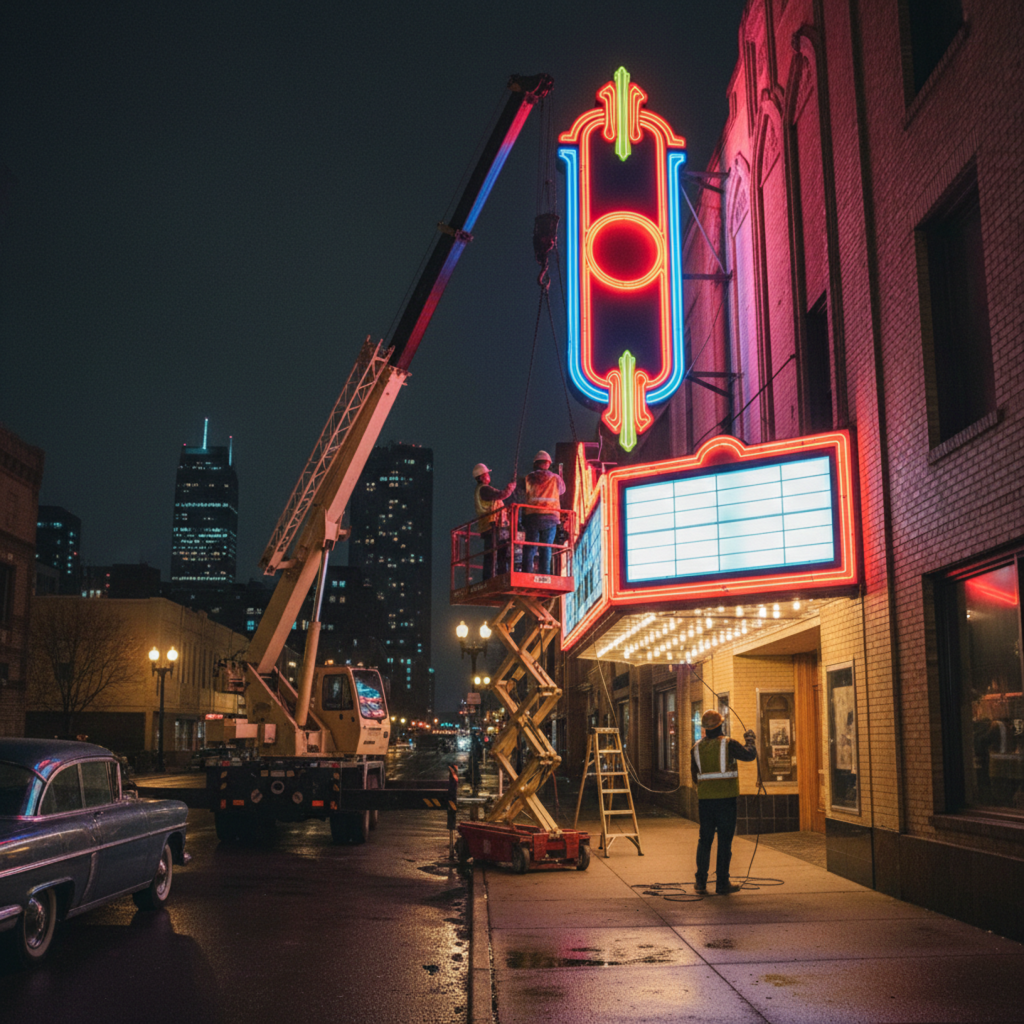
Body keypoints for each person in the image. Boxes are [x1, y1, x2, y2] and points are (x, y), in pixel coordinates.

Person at [690, 709, 758, 895]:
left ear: (704, 728)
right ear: (720, 725)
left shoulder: (695, 748)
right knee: (724, 842)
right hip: (726, 801)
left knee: (705, 840)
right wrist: (750, 739)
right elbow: (749, 755)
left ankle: (701, 883)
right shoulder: (728, 744)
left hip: (705, 802)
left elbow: (695, 776)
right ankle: (722, 883)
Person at [520, 450, 566, 575]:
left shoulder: (529, 478)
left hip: (532, 517)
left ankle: (526, 571)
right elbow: (562, 491)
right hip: (550, 517)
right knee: (546, 547)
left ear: (535, 464)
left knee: (531, 546)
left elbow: (520, 490)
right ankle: (545, 572)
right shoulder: (555, 478)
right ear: (548, 464)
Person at [473, 462, 515, 579]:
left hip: (490, 526)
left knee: (493, 553)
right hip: (493, 525)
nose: (488, 476)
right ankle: (497, 577)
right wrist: (510, 487)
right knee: (496, 554)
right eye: (486, 474)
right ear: (482, 477)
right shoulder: (484, 489)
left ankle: (493, 577)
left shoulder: (481, 490)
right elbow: (501, 494)